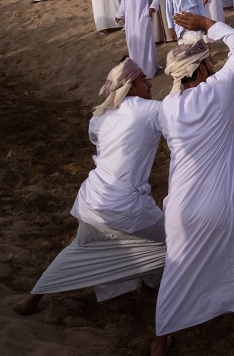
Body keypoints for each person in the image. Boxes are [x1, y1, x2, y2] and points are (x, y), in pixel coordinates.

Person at [152, 13, 234, 356]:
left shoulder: (167, 107)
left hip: (179, 208)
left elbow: (201, 115)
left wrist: (232, 101)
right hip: (221, 205)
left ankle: (161, 341)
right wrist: (208, 24)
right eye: (209, 60)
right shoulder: (217, 89)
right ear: (203, 69)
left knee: (177, 274)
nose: (213, 63)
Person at [15, 59, 166, 317]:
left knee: (79, 247)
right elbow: (188, 114)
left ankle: (32, 299)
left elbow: (96, 139)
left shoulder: (100, 115)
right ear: (130, 87)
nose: (149, 84)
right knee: (175, 240)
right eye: (143, 80)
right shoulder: (148, 110)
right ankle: (150, 290)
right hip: (122, 205)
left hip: (92, 196)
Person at [116, 0, 161, 79]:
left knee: (145, 42)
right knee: (132, 42)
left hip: (142, 16)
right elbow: (124, 1)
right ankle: (136, 69)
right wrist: (119, 14)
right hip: (130, 19)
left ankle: (148, 70)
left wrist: (152, 7)